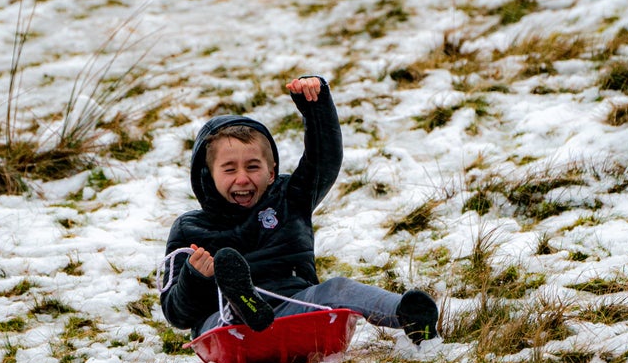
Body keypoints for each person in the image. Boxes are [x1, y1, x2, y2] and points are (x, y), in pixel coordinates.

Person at [160, 75, 439, 346]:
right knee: (223, 313)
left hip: (296, 309)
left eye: (253, 167)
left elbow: (324, 162)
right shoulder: (189, 228)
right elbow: (176, 313)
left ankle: (409, 315)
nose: (242, 178)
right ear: (209, 176)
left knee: (337, 288)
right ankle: (241, 304)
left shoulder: (289, 198)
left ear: (271, 173)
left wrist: (316, 107)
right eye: (229, 169)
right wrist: (195, 277)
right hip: (227, 330)